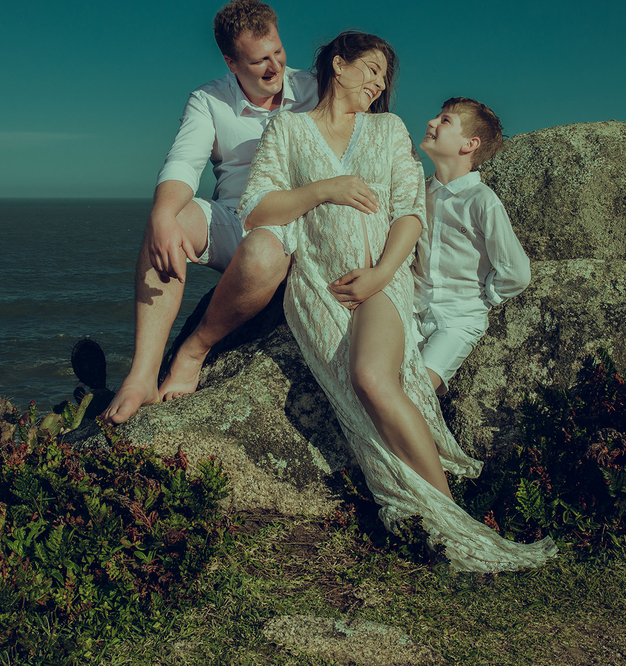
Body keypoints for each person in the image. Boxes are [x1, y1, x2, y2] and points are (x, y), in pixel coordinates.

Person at [238, 31, 556, 571]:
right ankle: (437, 517)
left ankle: (453, 519)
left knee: (371, 378)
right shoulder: (287, 129)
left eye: (384, 77)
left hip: (381, 281)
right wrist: (325, 189)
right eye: (370, 69)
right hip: (316, 288)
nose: (378, 83)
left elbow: (410, 211)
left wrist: (381, 275)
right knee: (359, 396)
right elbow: (257, 209)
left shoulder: (388, 130)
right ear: (338, 65)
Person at [99, 0, 319, 425]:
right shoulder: (209, 99)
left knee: (264, 251)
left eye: (278, 52)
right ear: (231, 63)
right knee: (169, 222)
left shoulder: (314, 88)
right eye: (259, 61)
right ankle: (142, 376)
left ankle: (193, 351)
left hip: (297, 227)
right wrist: (162, 215)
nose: (275, 67)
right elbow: (183, 162)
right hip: (236, 218)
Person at [414, 98, 531, 397]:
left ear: (469, 144)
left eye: (445, 120)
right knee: (381, 382)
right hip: (412, 313)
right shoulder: (420, 192)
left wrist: (485, 296)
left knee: (417, 391)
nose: (431, 122)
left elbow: (517, 273)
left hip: (458, 320)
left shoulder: (481, 199)